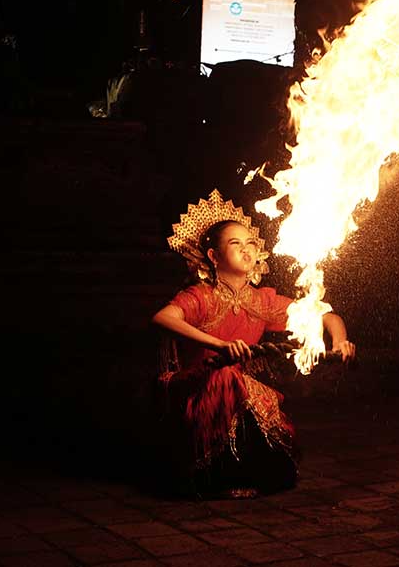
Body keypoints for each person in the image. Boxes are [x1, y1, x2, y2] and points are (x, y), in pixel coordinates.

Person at [151, 189, 355, 498]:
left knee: (241, 388)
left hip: (238, 388)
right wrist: (220, 346)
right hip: (195, 389)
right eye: (235, 244)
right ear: (213, 256)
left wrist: (339, 341)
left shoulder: (262, 300)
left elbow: (326, 316)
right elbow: (163, 318)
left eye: (250, 243)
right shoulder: (200, 296)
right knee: (225, 376)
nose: (247, 250)